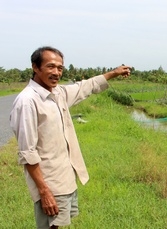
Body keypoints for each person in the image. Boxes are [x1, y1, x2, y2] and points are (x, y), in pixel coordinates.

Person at [9, 46, 131, 229]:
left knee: (57, 225)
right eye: (50, 66)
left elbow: (85, 87)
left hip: (64, 177)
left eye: (60, 68)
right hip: (49, 183)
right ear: (35, 67)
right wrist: (44, 192)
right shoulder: (28, 101)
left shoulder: (57, 94)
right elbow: (27, 153)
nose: (56, 72)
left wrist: (114, 73)